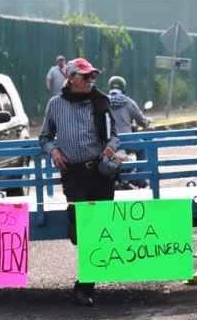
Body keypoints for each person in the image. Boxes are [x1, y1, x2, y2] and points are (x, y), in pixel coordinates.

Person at [39, 57, 118, 307]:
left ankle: (85, 285)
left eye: (92, 76)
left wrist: (110, 148)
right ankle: (88, 275)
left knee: (95, 229)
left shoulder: (101, 101)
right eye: (85, 77)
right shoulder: (55, 104)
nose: (90, 80)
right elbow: (44, 136)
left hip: (99, 173)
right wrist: (53, 150)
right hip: (73, 175)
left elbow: (115, 135)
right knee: (79, 229)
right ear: (71, 78)